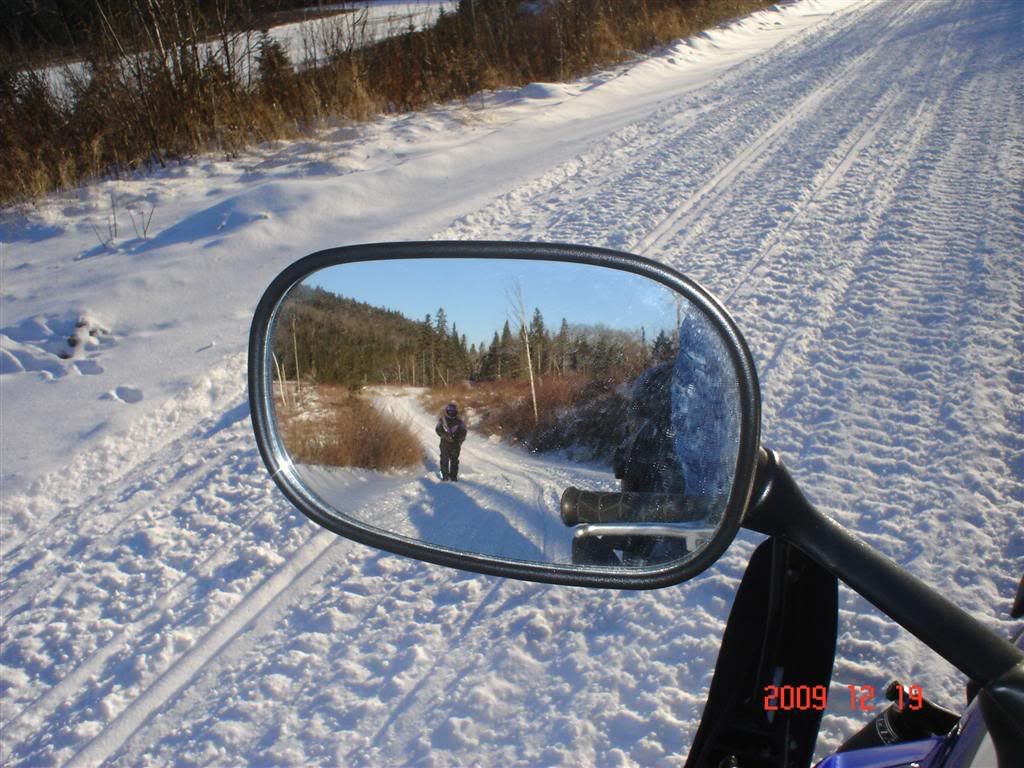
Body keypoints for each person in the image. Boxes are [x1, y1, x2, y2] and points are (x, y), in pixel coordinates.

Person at [435, 402, 467, 481]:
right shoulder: (442, 420)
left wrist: (460, 440)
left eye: (453, 411)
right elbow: (438, 429)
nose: (451, 412)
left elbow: (464, 432)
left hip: (455, 444)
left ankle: (453, 477)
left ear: (456, 411)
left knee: (454, 461)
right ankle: (444, 476)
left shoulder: (460, 422)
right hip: (444, 443)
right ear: (447, 411)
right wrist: (445, 436)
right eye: (449, 410)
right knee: (444, 460)